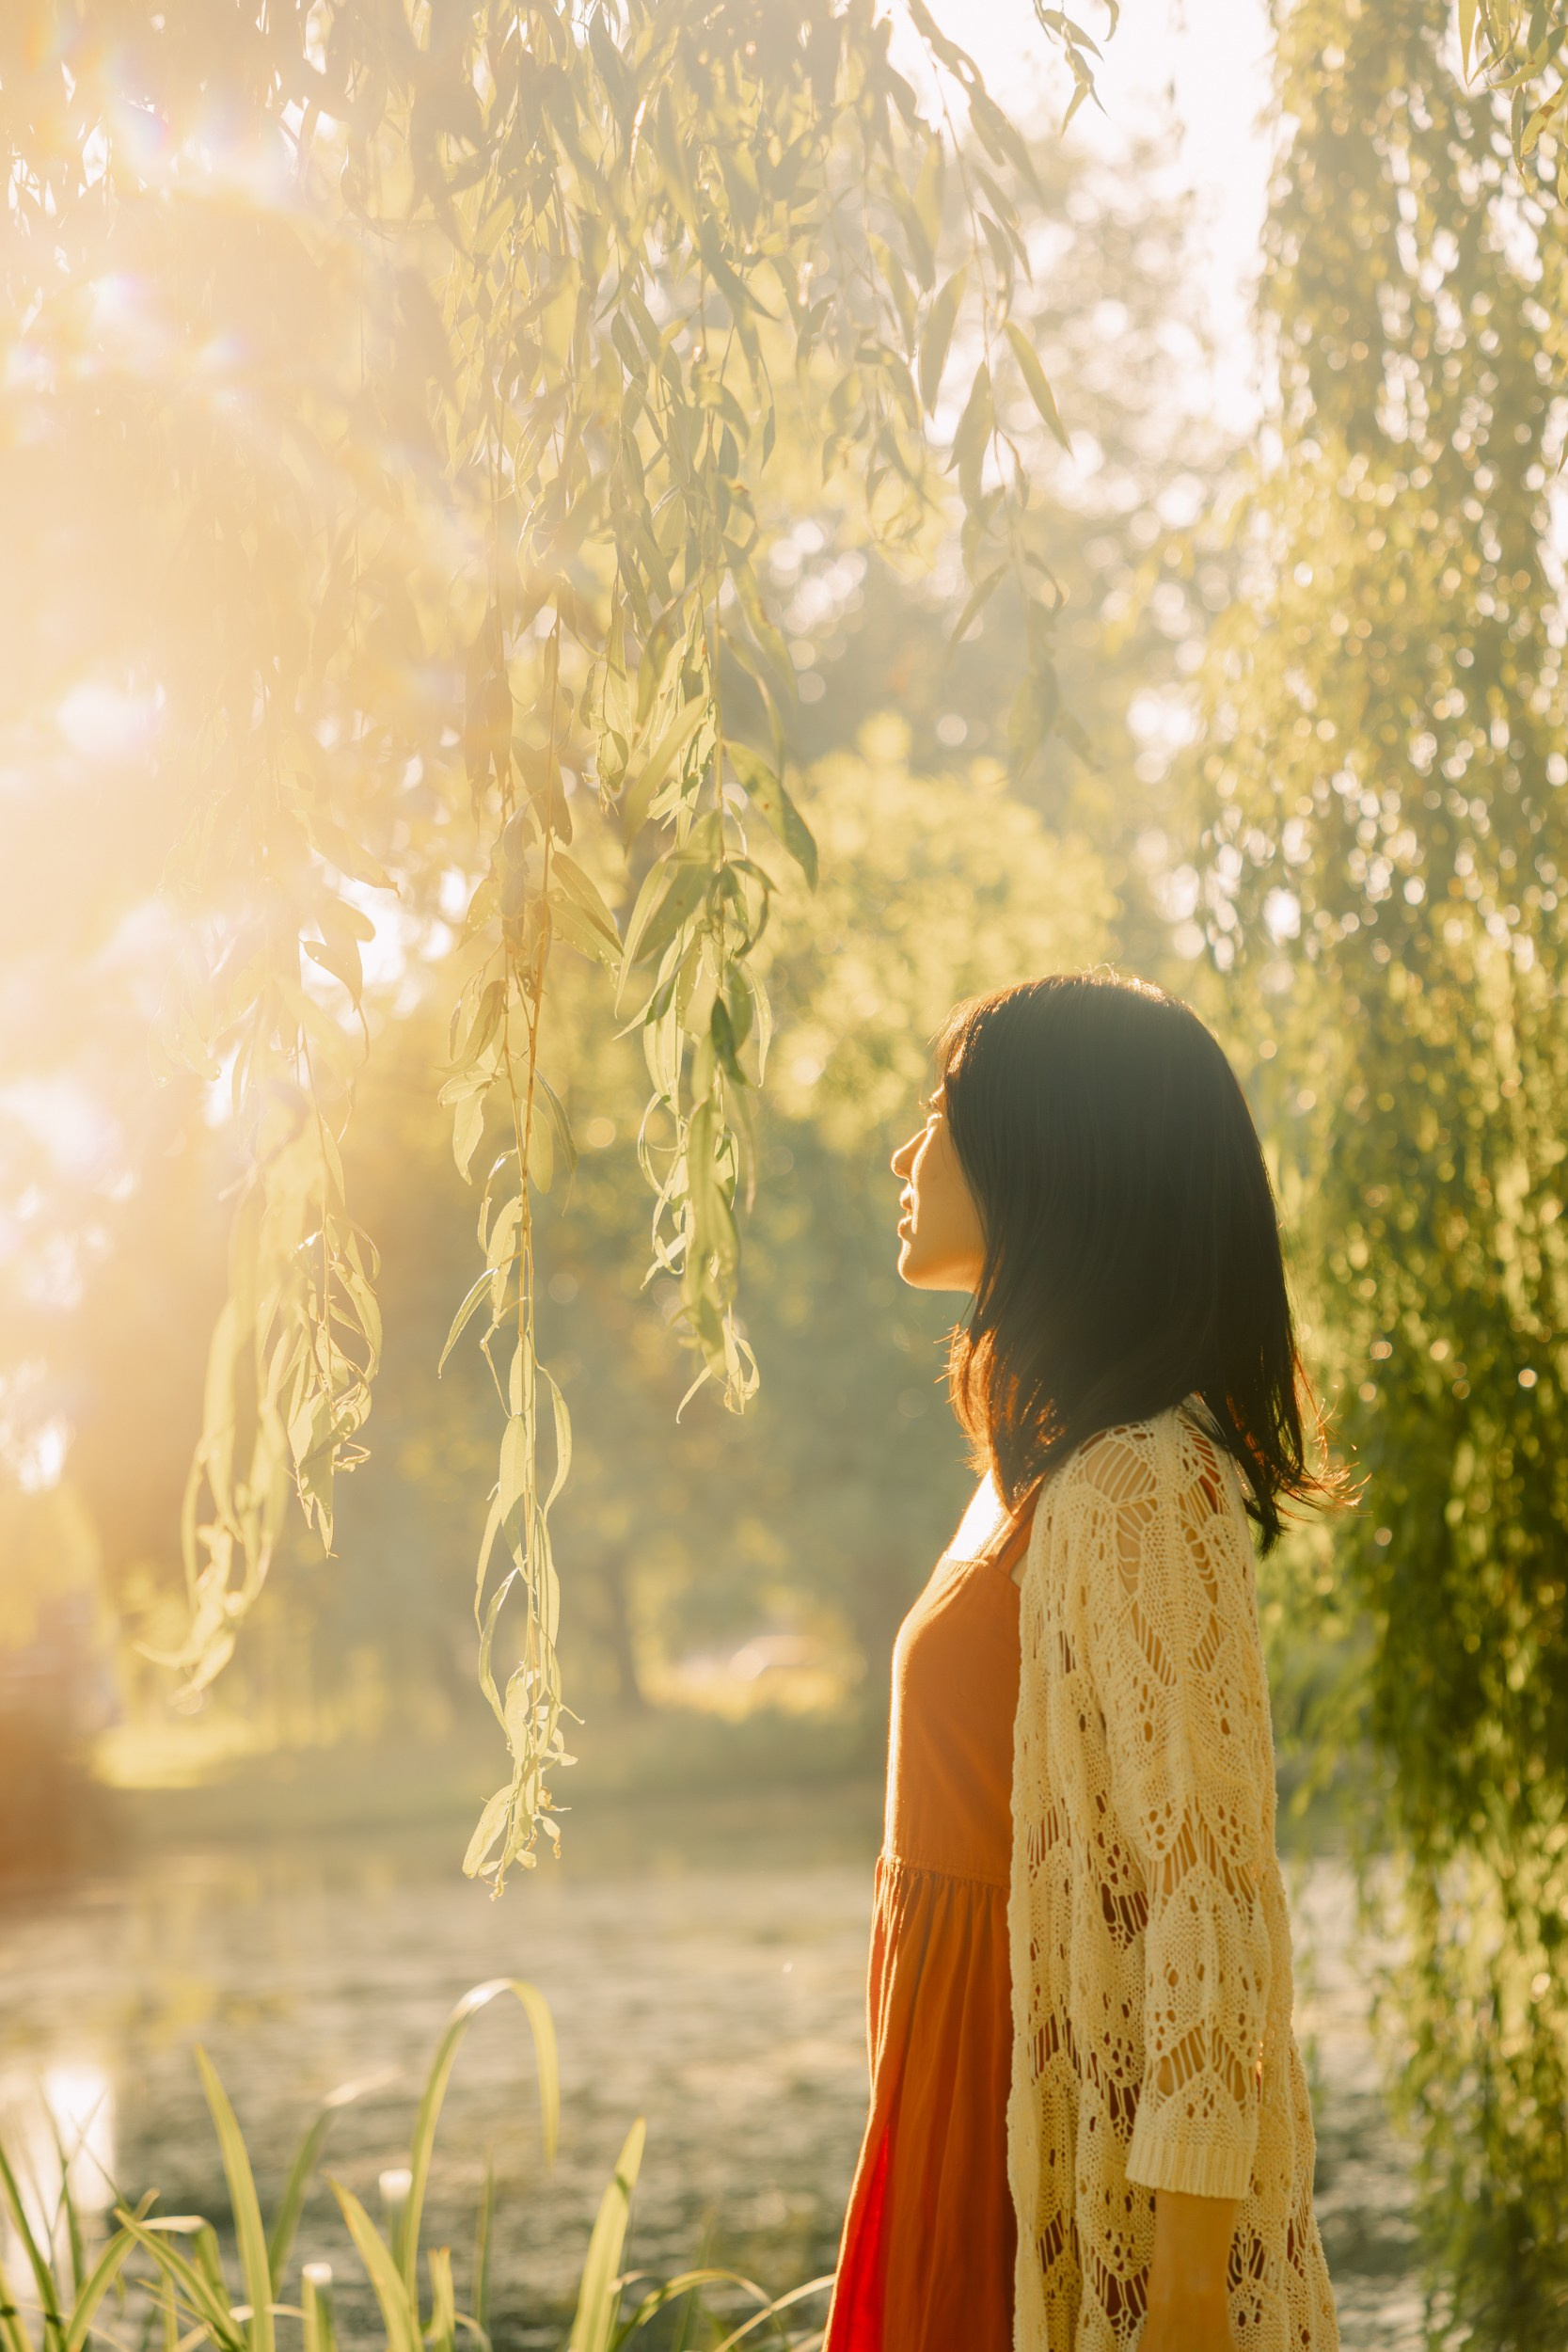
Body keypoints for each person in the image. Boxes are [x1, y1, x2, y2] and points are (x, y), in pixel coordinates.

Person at [824, 973, 1340, 2352]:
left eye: (941, 1113)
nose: (904, 1151)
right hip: (953, 2108)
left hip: (1041, 2155)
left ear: (1049, 1156)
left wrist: (1176, 2304)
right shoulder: (1028, 1467)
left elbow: (1209, 1909)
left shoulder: (1141, 1483)